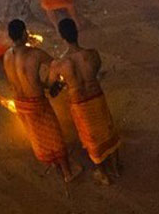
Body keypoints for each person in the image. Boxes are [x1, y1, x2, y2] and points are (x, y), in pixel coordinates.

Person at [3, 19, 80, 182]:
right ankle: (67, 172)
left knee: (38, 137)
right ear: (24, 34)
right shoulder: (35, 54)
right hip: (36, 102)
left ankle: (55, 166)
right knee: (53, 136)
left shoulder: (6, 56)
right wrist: (50, 84)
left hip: (19, 102)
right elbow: (56, 65)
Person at [52, 17, 121, 183]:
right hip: (96, 96)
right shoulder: (92, 54)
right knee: (107, 128)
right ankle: (117, 166)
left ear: (62, 37)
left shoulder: (59, 64)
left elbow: (51, 86)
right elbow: (96, 71)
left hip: (79, 103)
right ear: (77, 32)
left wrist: (64, 82)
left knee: (91, 138)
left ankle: (103, 174)